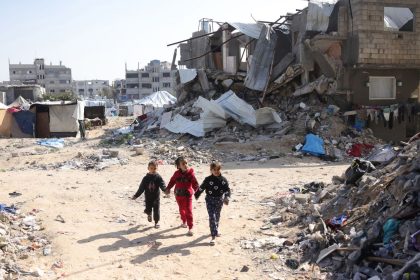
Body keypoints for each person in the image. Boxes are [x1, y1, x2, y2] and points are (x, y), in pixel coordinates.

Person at [195, 161, 231, 246]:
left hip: (219, 200)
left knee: (217, 216)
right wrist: (196, 194)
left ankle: (215, 229)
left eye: (218, 169)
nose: (216, 171)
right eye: (214, 170)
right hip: (209, 200)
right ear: (211, 170)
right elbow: (202, 187)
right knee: (212, 216)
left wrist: (227, 197)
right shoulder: (208, 179)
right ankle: (213, 236)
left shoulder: (223, 180)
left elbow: (227, 190)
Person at [165, 157, 199, 236]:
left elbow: (195, 184)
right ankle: (184, 222)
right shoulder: (176, 174)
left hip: (187, 196)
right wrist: (168, 188)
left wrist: (197, 191)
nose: (185, 165)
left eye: (186, 163)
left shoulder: (191, 174)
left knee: (188, 210)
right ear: (178, 166)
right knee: (181, 209)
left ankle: (190, 227)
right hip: (178, 195)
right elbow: (172, 181)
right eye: (183, 164)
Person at [132, 160, 166, 229]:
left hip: (156, 197)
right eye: (151, 168)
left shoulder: (158, 177)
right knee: (148, 209)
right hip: (148, 197)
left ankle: (156, 222)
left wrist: (165, 190)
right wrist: (136, 195)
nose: (153, 170)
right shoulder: (145, 178)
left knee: (156, 210)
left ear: (157, 168)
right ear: (148, 168)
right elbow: (141, 188)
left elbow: (162, 185)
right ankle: (149, 214)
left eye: (155, 168)